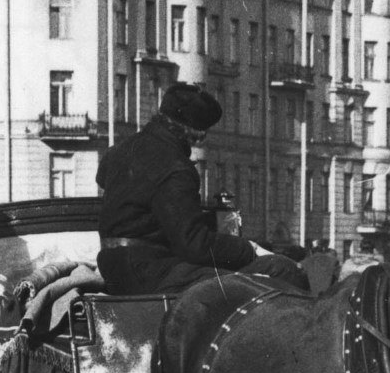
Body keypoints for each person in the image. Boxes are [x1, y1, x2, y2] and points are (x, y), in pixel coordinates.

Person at [94, 82, 307, 295]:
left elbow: (115, 188)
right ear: (195, 133)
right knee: (280, 270)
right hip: (151, 270)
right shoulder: (176, 167)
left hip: (114, 266)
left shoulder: (119, 150)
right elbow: (194, 244)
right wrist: (248, 248)